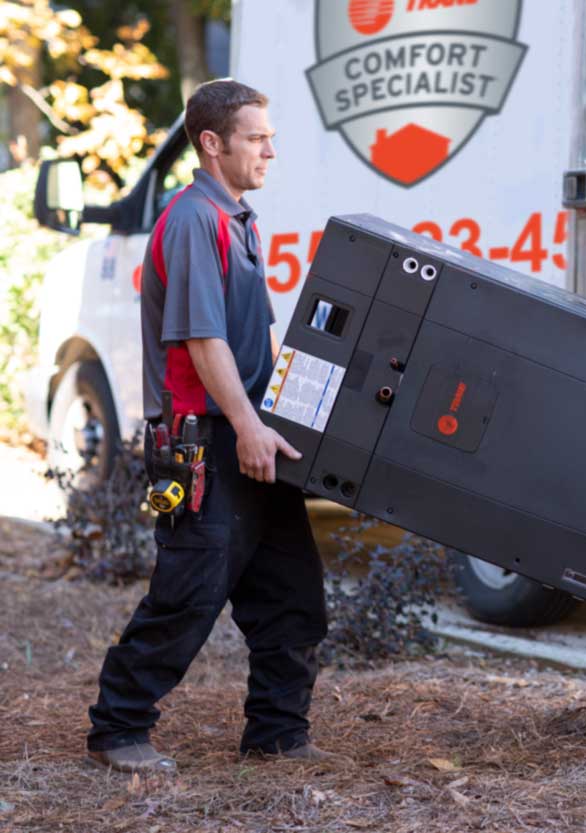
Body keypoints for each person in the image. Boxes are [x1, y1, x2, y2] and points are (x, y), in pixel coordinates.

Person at [86, 79, 334, 773]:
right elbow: (202, 340)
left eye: (270, 137)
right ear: (212, 143)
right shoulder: (194, 218)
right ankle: (118, 728)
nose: (269, 151)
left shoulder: (236, 219)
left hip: (251, 436)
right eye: (257, 138)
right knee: (188, 597)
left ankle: (278, 736)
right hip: (209, 442)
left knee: (292, 598)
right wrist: (250, 427)